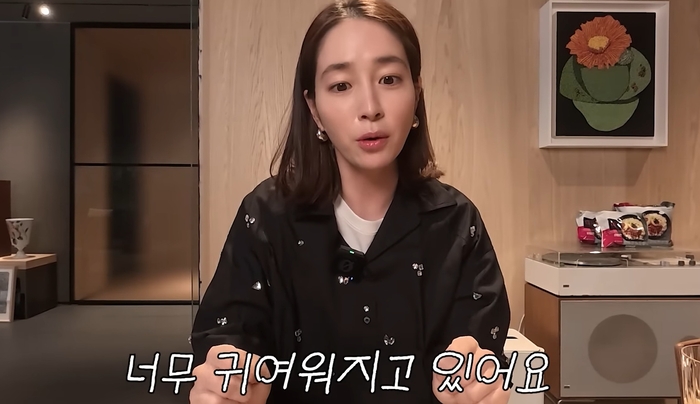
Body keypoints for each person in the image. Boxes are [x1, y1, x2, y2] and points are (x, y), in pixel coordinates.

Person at [189, 0, 511, 403]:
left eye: (389, 79)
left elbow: (478, 347)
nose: (370, 108)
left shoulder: (457, 222)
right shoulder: (266, 216)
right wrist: (229, 378)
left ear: (416, 94)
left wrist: (477, 383)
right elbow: (227, 333)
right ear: (314, 109)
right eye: (341, 85)